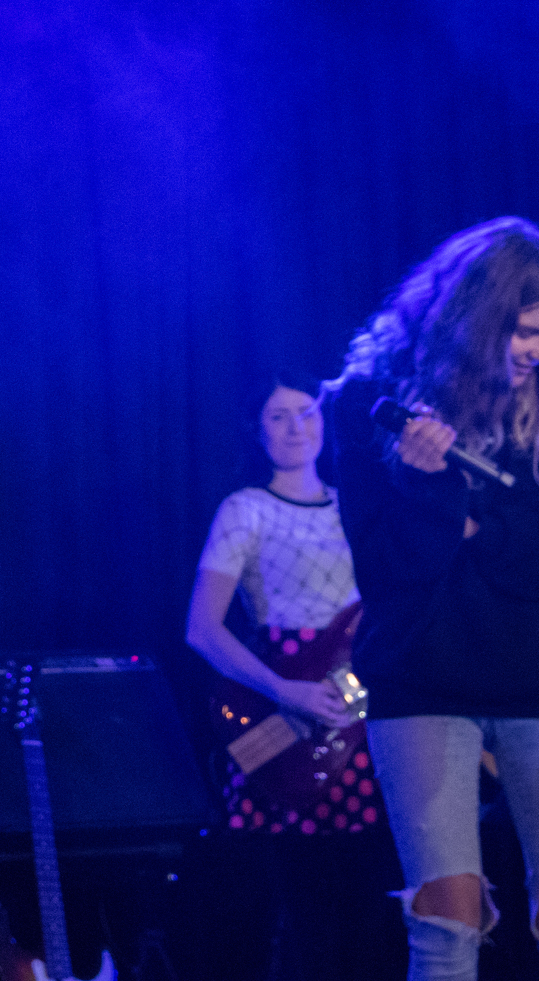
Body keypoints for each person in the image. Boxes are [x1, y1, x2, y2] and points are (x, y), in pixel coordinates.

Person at [324, 217, 539, 981]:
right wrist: (430, 488)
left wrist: (478, 523)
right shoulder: (368, 401)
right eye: (527, 332)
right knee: (446, 923)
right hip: (423, 676)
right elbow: (390, 570)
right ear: (474, 322)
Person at [187, 376, 399, 979]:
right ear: (257, 431)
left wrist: (350, 695)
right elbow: (202, 629)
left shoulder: (356, 503)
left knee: (368, 900)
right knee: (299, 902)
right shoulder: (245, 509)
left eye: (306, 412)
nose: (296, 427)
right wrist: (288, 692)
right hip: (279, 713)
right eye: (278, 416)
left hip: (361, 706)